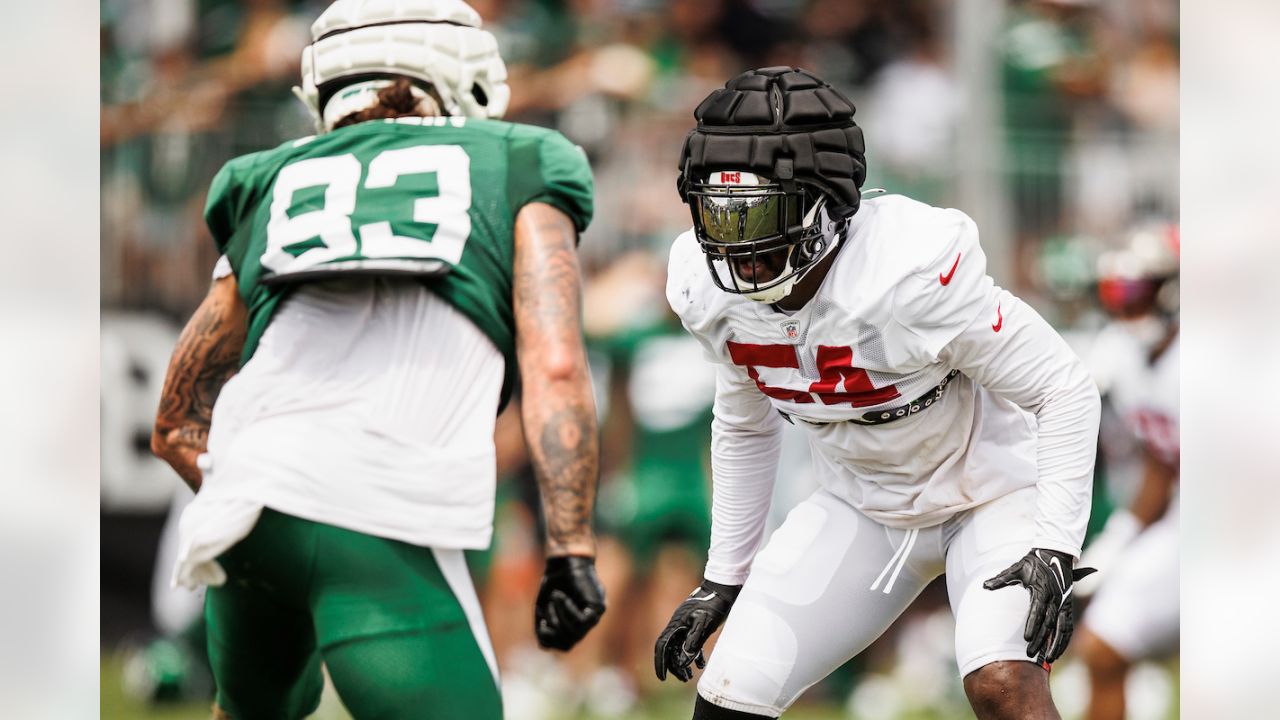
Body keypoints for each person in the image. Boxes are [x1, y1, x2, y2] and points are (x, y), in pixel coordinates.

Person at [150, 1, 606, 718]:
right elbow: (554, 368)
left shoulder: (269, 175)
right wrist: (571, 548)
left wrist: (264, 488)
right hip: (380, 510)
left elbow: (175, 421)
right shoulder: (521, 160)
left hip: (247, 505)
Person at [652, 67, 1101, 720]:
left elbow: (1062, 387)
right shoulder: (706, 288)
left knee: (1002, 684)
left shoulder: (906, 272)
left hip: (993, 494)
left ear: (821, 202)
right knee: (728, 700)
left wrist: (1056, 543)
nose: (738, 244)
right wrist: (725, 575)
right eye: (720, 215)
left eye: (758, 213)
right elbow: (746, 424)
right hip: (860, 505)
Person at [1075, 227, 1180, 720]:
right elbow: (1164, 462)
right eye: (1115, 294)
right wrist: (1118, 539)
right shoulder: (1127, 354)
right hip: (1186, 526)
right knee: (1101, 647)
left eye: (1134, 293)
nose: (1124, 309)